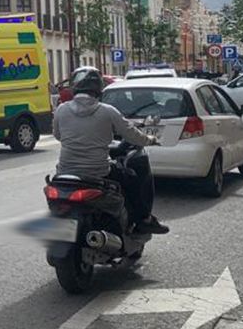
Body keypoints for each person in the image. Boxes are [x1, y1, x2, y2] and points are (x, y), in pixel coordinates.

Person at [52, 67, 168, 235]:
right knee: (135, 177)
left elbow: (58, 135)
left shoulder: (61, 110)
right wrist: (150, 140)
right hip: (98, 172)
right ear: (98, 88)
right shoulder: (107, 111)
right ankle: (144, 219)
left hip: (64, 173)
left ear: (74, 87)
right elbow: (132, 135)